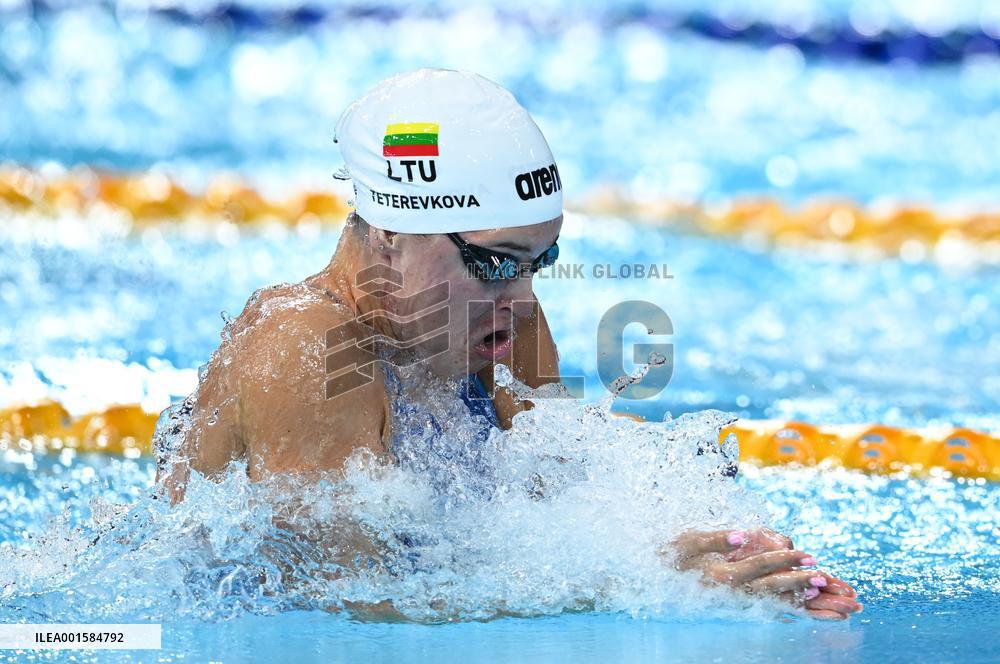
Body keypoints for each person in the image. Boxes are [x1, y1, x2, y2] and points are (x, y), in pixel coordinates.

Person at [154, 68, 861, 620]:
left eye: (537, 263)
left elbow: (558, 481)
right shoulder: (304, 346)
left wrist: (719, 549)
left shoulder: (501, 317)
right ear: (393, 236)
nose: (523, 300)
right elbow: (353, 603)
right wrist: (639, 577)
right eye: (494, 263)